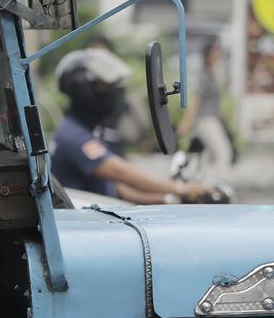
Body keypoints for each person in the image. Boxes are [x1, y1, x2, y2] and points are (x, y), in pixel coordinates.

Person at [51, 47, 212, 204]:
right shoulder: (72, 134)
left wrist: (170, 199)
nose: (114, 91)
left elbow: (120, 190)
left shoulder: (91, 132)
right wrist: (179, 188)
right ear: (82, 90)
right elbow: (121, 172)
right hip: (83, 219)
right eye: (103, 85)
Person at [178, 38, 235, 174]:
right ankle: (214, 182)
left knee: (208, 156)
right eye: (217, 49)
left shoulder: (213, 73)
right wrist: (186, 122)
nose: (220, 52)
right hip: (205, 120)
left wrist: (220, 113)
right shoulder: (203, 74)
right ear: (209, 53)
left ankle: (200, 181)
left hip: (213, 118)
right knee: (223, 153)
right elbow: (196, 100)